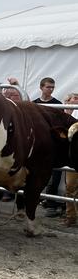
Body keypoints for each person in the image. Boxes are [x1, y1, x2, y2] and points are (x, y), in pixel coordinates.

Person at [33, 77, 64, 217]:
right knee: (34, 172)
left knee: (53, 174)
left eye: (52, 87)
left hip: (52, 142)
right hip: (36, 143)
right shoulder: (34, 104)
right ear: (41, 87)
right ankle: (34, 199)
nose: (50, 89)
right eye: (48, 87)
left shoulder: (57, 104)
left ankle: (51, 204)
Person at [63, 92, 78, 227]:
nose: (77, 100)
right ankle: (70, 216)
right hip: (72, 156)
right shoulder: (66, 113)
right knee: (70, 186)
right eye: (75, 98)